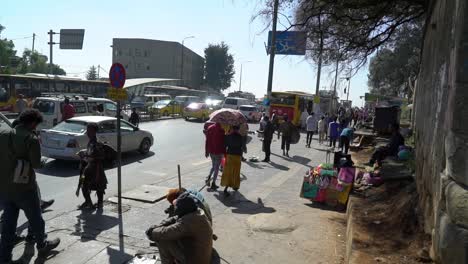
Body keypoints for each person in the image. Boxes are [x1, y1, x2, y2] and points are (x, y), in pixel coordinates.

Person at [0, 109, 60, 263]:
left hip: (6, 187)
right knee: (36, 219)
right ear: (33, 123)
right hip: (25, 188)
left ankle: (5, 256)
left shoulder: (3, 135)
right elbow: (36, 164)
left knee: (8, 223)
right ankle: (42, 245)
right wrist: (42, 161)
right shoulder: (31, 139)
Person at [146, 193, 213, 264]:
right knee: (166, 234)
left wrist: (152, 232)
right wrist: (158, 226)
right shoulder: (196, 211)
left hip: (195, 261)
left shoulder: (188, 222)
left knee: (162, 239)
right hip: (199, 254)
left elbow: (166, 232)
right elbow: (175, 218)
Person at [77, 123, 108, 209]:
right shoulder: (91, 142)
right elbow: (90, 152)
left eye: (89, 130)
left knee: (99, 186)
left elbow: (100, 156)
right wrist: (85, 153)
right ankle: (89, 202)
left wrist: (86, 156)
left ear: (94, 132)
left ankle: (98, 203)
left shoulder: (97, 143)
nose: (87, 132)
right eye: (87, 130)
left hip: (96, 169)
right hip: (89, 168)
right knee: (86, 186)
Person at [221, 125, 243, 196]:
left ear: (232, 129)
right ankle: (235, 186)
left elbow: (224, 145)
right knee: (236, 172)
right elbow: (243, 147)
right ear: (238, 129)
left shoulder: (228, 136)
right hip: (237, 156)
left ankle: (226, 188)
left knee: (228, 172)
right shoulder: (241, 137)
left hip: (230, 155)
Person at [205, 122, 225, 190]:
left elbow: (207, 141)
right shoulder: (222, 130)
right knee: (216, 168)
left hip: (211, 151)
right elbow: (223, 143)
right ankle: (213, 183)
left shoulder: (210, 128)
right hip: (218, 152)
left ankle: (209, 177)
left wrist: (206, 151)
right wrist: (224, 153)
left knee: (213, 166)